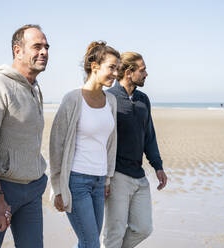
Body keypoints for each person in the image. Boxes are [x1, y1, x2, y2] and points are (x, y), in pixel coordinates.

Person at [0, 24, 49, 248]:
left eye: (46, 47)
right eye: (37, 46)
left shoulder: (34, 88)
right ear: (18, 51)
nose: (44, 52)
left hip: (32, 189)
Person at [50, 41, 119, 248]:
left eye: (117, 68)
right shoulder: (72, 99)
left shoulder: (111, 102)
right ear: (95, 66)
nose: (116, 73)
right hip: (76, 181)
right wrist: (57, 188)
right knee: (91, 243)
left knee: (88, 242)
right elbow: (56, 145)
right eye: (111, 67)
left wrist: (107, 179)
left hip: (99, 182)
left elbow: (110, 143)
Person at [103, 52, 168, 248]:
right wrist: (104, 178)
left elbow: (149, 135)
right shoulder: (109, 98)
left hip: (139, 175)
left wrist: (158, 166)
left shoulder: (143, 99)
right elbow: (101, 141)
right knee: (114, 232)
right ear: (129, 72)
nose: (146, 74)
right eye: (143, 70)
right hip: (116, 176)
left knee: (143, 228)